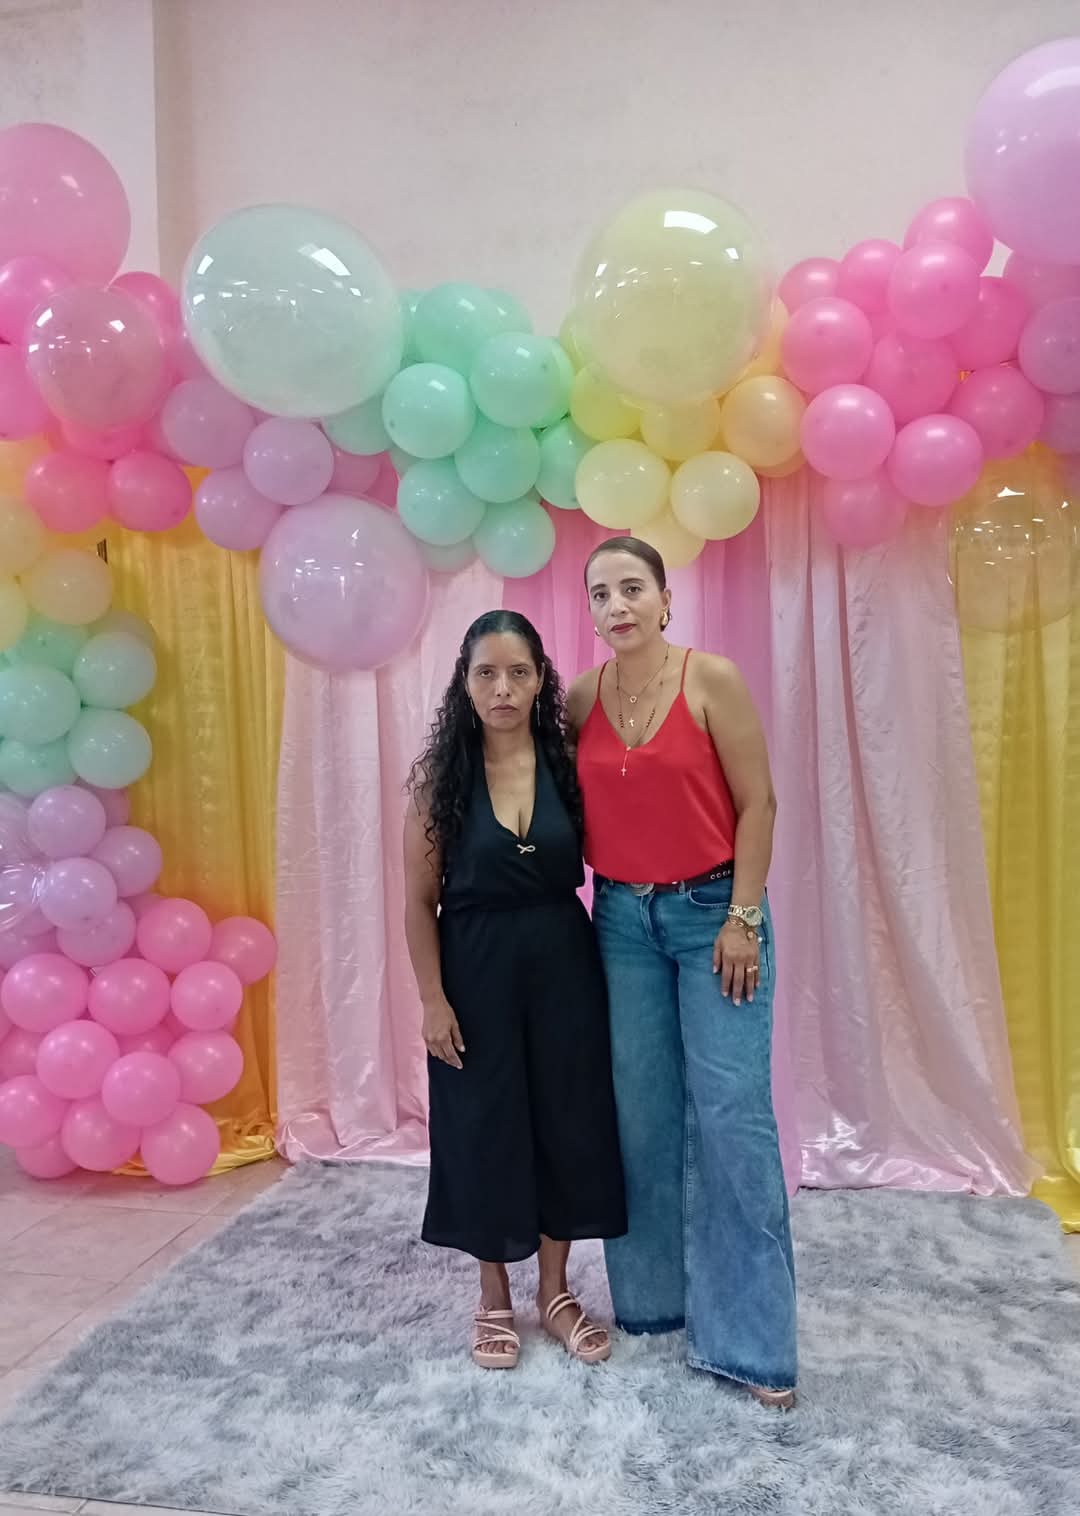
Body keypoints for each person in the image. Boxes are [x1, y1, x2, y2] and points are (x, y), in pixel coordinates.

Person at [568, 536, 797, 1410]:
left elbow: (758, 803)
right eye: (600, 594)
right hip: (620, 922)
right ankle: (654, 1306)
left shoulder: (713, 681)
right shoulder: (580, 698)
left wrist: (743, 918)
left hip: (714, 917)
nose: (616, 605)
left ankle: (753, 1343)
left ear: (666, 600)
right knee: (641, 1117)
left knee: (733, 1117)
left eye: (632, 588)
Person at [403, 608, 627, 1371]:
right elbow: (417, 903)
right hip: (473, 971)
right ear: (464, 684)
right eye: (487, 673)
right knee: (483, 1126)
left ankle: (555, 1292)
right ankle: (494, 1292)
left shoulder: (568, 763)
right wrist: (433, 999)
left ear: (539, 682)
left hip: (564, 964)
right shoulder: (441, 782)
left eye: (518, 672)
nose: (503, 688)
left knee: (567, 1119)